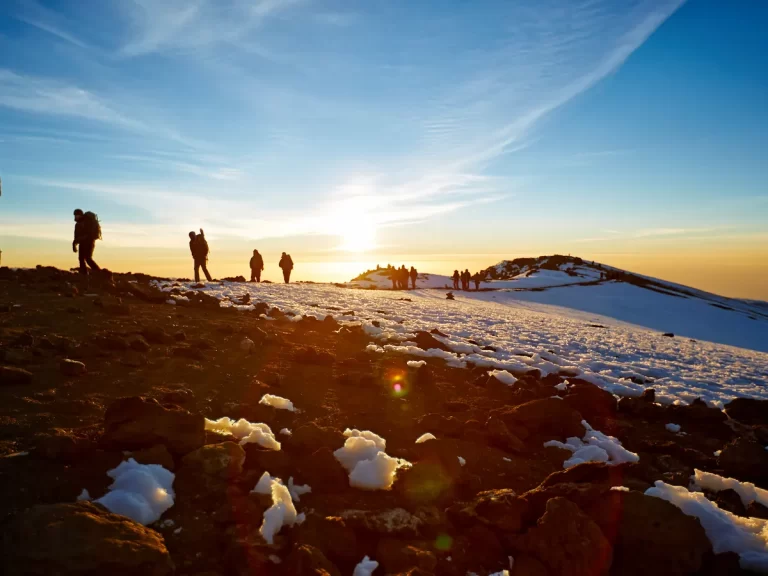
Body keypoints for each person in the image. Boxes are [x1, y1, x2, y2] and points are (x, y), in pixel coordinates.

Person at [72, 209, 102, 275]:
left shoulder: (87, 222)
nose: (75, 217)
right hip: (82, 243)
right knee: (81, 258)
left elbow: (88, 234)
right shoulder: (78, 224)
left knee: (88, 258)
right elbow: (76, 236)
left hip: (89, 242)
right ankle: (84, 274)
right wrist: (75, 243)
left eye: (76, 215)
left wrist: (75, 242)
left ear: (80, 215)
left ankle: (99, 273)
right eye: (75, 215)